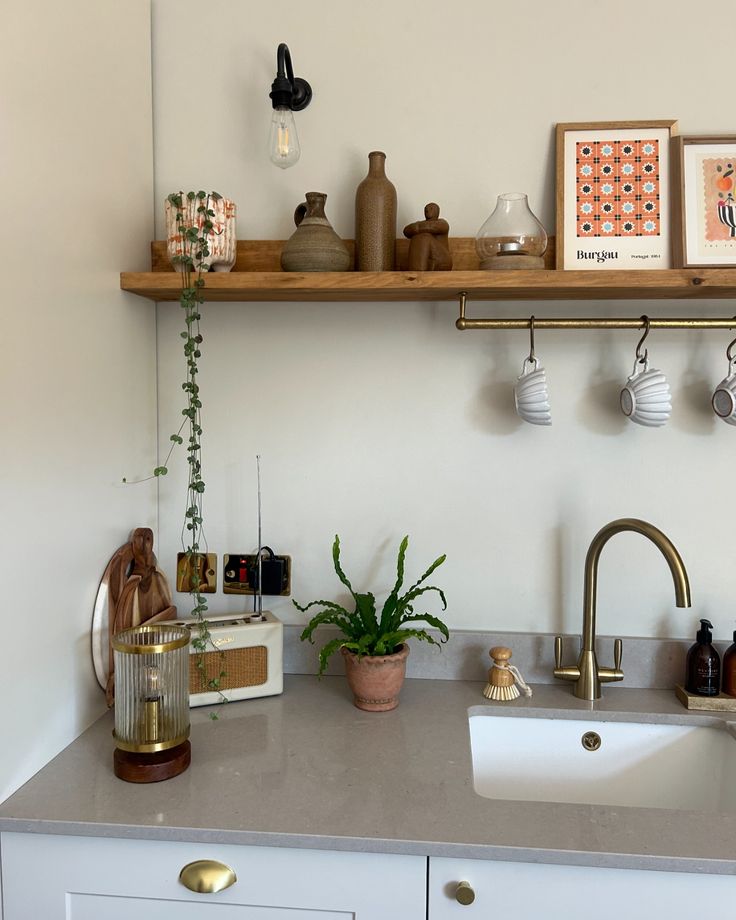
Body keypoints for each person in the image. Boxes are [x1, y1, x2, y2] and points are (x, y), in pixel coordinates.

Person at [403, 202, 452, 271]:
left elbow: (431, 227)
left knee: (423, 237)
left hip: (442, 260)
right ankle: (416, 273)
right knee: (418, 237)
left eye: (431, 208)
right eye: (426, 209)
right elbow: (406, 231)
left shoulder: (442, 223)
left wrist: (416, 227)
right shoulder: (421, 224)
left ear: (437, 211)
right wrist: (417, 228)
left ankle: (417, 274)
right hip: (427, 261)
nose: (427, 210)